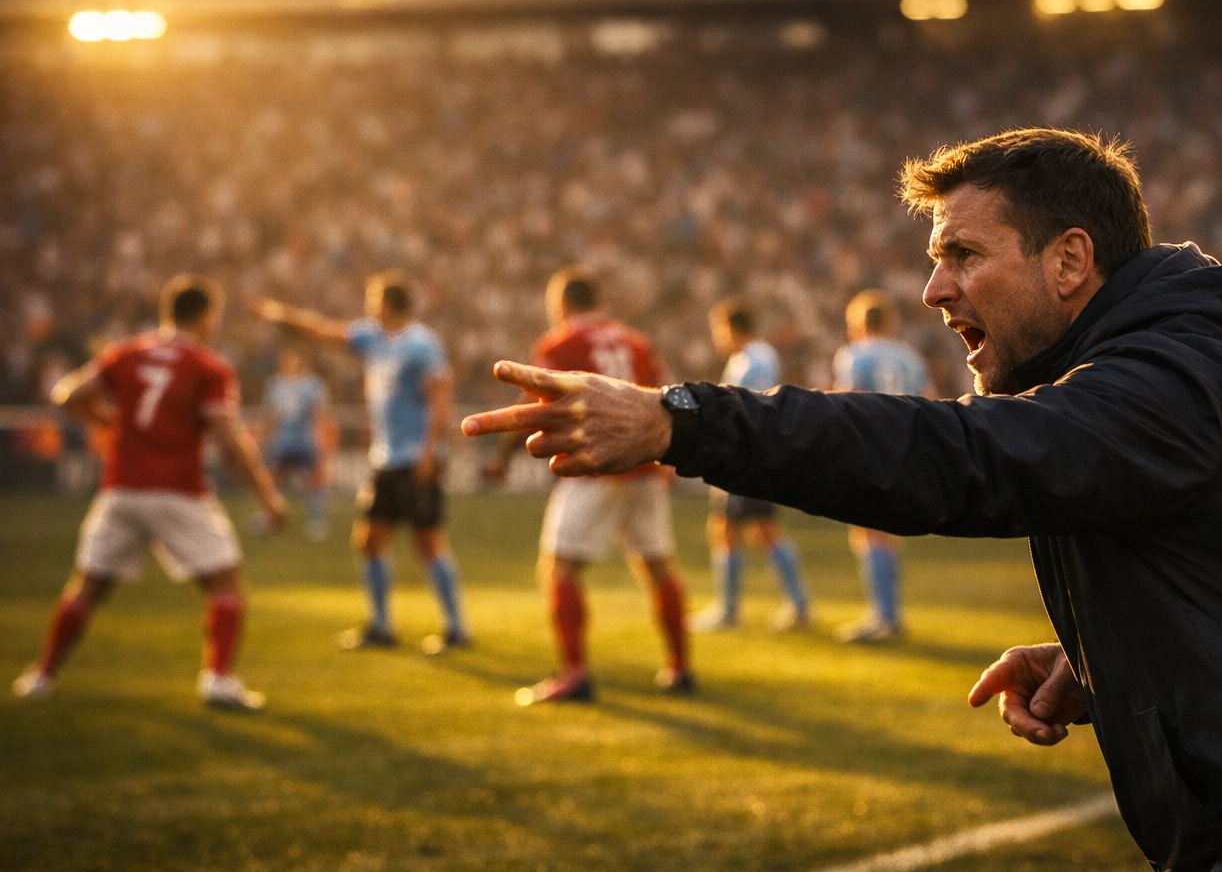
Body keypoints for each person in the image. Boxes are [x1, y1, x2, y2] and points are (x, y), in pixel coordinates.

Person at [461, 128, 1222, 872]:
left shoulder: (1167, 375)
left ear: (1073, 260)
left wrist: (686, 423)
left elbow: (967, 461)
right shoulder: (1217, 365)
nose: (936, 292)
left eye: (964, 255)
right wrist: (1123, 652)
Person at [13, 275, 285, 711]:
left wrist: (105, 421)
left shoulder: (128, 353)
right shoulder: (207, 367)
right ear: (203, 317)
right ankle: (218, 680)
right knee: (225, 584)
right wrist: (268, 497)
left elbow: (66, 395)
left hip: (122, 488)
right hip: (178, 490)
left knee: (87, 588)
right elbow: (230, 440)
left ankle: (42, 675)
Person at [500, 266, 693, 704]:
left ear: (562, 304)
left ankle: (574, 673)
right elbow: (662, 398)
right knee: (659, 566)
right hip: (645, 464)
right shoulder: (635, 341)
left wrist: (502, 458)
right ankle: (680, 668)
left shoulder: (562, 343)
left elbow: (535, 397)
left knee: (559, 567)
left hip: (594, 463)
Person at [253, 271, 469, 656]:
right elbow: (323, 332)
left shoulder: (422, 345)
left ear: (388, 303)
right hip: (384, 458)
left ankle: (456, 629)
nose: (368, 306)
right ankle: (381, 626)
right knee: (369, 541)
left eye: (373, 299)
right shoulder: (372, 338)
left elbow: (441, 397)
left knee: (428, 542)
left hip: (414, 457)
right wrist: (280, 316)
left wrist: (431, 451)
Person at [689, 298, 812, 633]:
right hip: (758, 454)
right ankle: (798, 604)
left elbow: (742, 406)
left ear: (730, 327)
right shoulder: (759, 355)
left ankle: (729, 611)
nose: (717, 336)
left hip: (745, 456)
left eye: (718, 328)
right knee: (762, 530)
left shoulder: (750, 359)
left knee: (729, 530)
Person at [830, 290, 932, 643]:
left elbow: (849, 401)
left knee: (868, 533)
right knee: (886, 535)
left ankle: (883, 615)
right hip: (905, 451)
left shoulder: (854, 355)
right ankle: (892, 613)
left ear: (859, 323)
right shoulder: (910, 357)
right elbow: (930, 402)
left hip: (869, 451)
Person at [258, 347, 332, 541]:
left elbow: (319, 414)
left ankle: (317, 520)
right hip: (283, 441)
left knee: (313, 481)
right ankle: (269, 516)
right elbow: (270, 414)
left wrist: (322, 439)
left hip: (306, 440)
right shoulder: (276, 385)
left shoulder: (312, 385)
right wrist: (265, 438)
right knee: (272, 478)